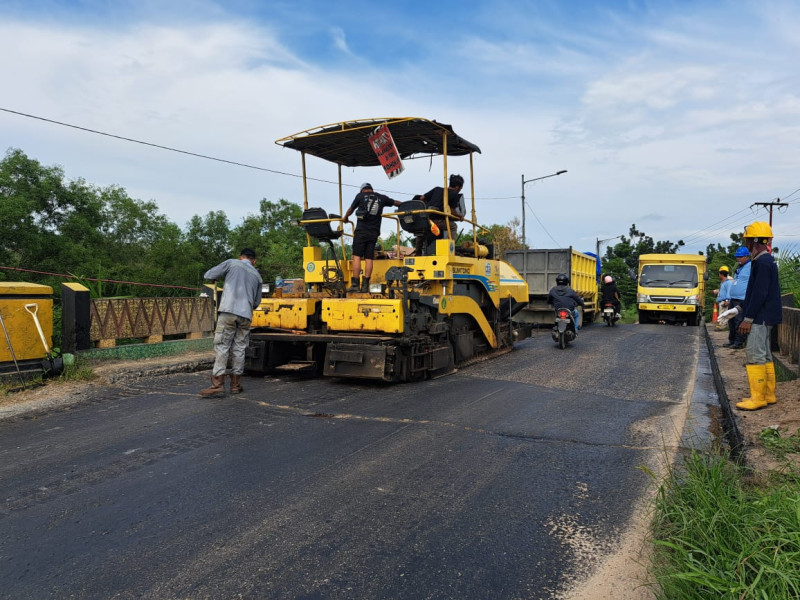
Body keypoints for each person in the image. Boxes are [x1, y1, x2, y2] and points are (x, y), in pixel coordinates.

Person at [718, 222, 782, 410]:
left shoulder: (761, 263)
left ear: (754, 241)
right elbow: (755, 293)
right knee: (765, 355)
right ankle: (768, 395)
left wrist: (747, 318)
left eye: (747, 241)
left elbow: (760, 294)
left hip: (760, 317)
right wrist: (737, 310)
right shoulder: (765, 261)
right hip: (765, 316)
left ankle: (758, 398)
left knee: (755, 355)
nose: (746, 245)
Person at [199, 248, 263, 398]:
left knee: (222, 345)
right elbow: (256, 302)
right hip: (246, 315)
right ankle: (235, 385)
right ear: (254, 261)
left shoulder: (232, 263)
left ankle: (218, 385)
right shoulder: (257, 276)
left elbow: (208, 275)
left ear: (241, 257)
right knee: (239, 348)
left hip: (228, 311)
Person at [344, 183, 401, 293]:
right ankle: (365, 286)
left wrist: (345, 217)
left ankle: (355, 285)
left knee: (356, 257)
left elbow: (351, 209)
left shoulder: (359, 196)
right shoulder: (381, 197)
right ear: (372, 189)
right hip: (373, 233)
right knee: (369, 258)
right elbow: (395, 203)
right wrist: (407, 205)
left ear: (362, 190)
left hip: (361, 232)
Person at [414, 174, 466, 254]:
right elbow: (452, 211)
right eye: (460, 188)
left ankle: (417, 252)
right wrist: (460, 216)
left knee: (421, 230)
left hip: (425, 218)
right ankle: (450, 250)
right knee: (452, 226)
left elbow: (422, 198)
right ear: (457, 187)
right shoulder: (454, 194)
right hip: (436, 221)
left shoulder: (437, 189)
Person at [725, 247, 751, 349]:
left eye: (740, 257)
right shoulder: (739, 268)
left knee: (739, 321)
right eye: (737, 257)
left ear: (746, 256)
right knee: (731, 321)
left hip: (742, 299)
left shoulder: (751, 267)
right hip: (733, 298)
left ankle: (739, 342)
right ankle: (731, 341)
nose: (738, 259)